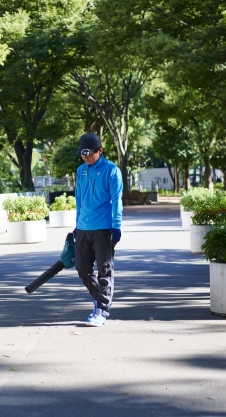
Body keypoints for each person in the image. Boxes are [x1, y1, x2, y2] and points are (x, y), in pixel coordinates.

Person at [74, 133, 123, 327]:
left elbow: (117, 200)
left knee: (104, 270)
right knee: (81, 268)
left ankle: (102, 310)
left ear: (99, 151)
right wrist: (77, 225)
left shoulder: (112, 171)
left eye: (89, 153)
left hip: (104, 227)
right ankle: (99, 299)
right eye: (83, 154)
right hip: (84, 227)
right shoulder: (81, 171)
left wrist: (116, 226)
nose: (86, 157)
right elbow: (79, 199)